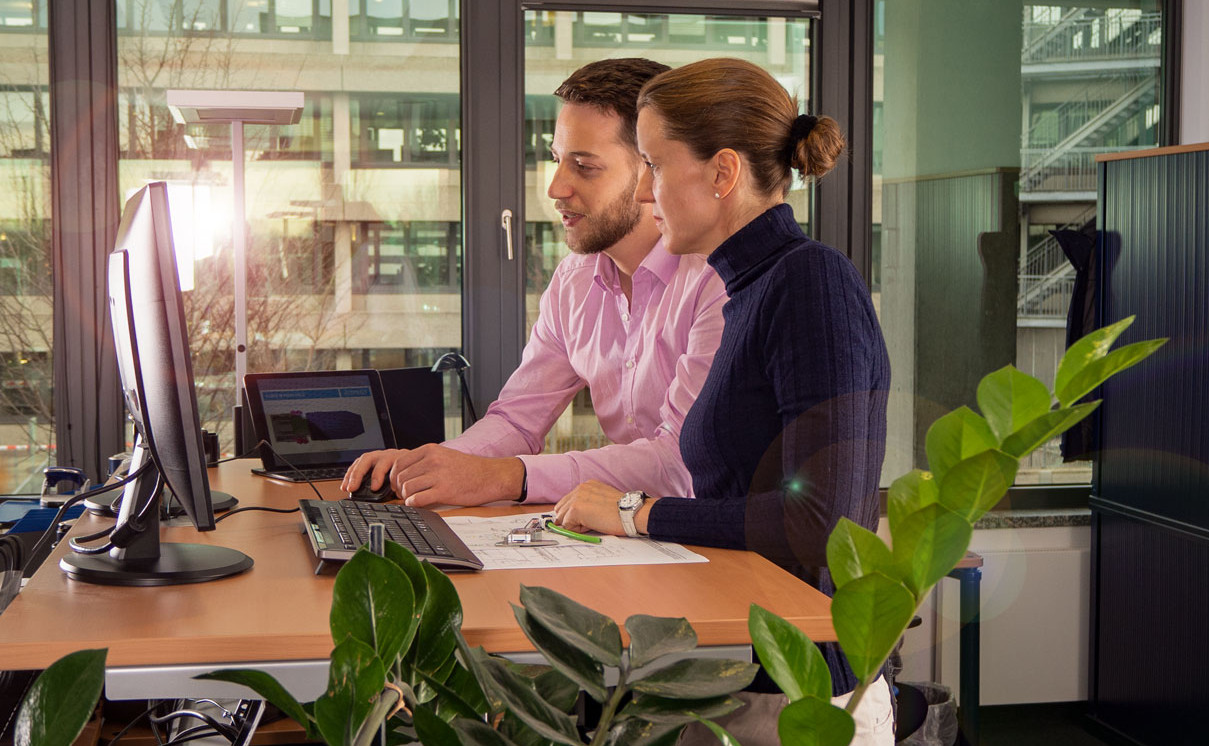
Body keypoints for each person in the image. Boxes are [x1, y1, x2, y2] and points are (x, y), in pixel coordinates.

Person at [552, 58, 893, 744]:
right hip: (735, 664)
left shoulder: (809, 283)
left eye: (651, 163)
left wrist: (633, 513)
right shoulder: (748, 288)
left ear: (721, 173)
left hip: (796, 693)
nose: (642, 190)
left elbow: (819, 521)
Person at [342, 58, 726, 508]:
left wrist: (508, 477)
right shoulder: (574, 281)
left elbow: (679, 467)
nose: (555, 187)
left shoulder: (716, 282)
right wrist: (431, 466)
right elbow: (519, 420)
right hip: (635, 538)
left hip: (719, 550)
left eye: (583, 166)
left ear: (651, 169)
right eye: (557, 160)